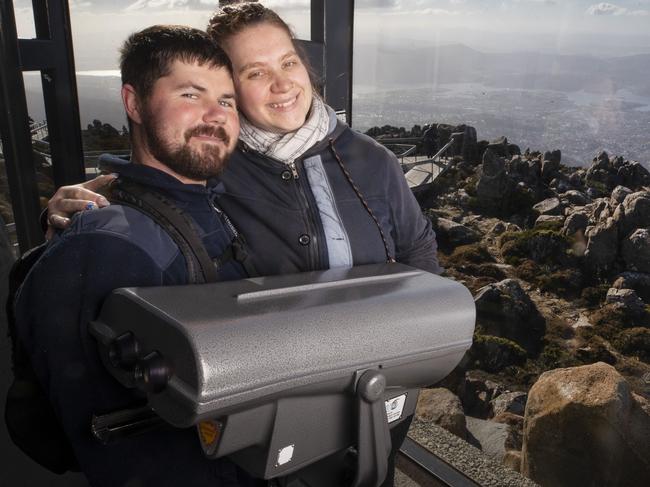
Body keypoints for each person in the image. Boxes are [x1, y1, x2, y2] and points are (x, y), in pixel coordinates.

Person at [44, 4, 441, 485]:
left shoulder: (371, 160)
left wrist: (415, 350)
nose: (282, 83)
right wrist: (81, 208)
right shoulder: (211, 164)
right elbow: (154, 190)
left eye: (288, 62)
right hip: (271, 429)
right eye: (256, 72)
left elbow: (419, 251)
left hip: (377, 399)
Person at [16, 25, 263, 487]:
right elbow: (122, 447)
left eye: (227, 101)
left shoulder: (212, 207)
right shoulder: (106, 247)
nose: (216, 115)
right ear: (133, 103)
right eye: (191, 94)